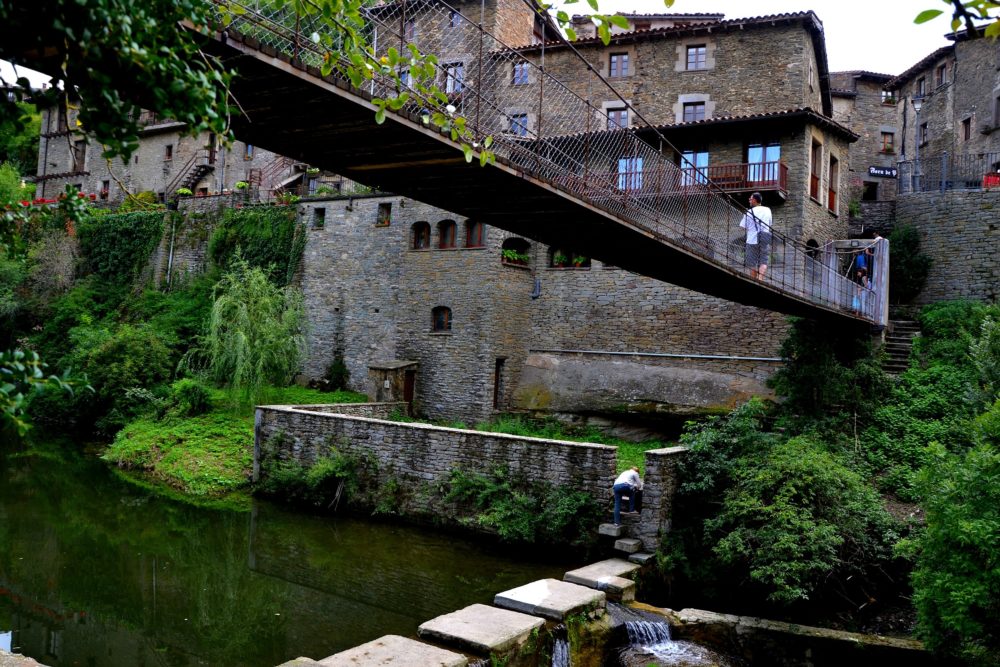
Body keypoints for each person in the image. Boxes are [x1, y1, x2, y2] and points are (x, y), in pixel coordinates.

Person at [739, 192, 773, 280]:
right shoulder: (768, 210)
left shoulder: (749, 212)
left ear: (754, 200)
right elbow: (769, 224)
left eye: (750, 198)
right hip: (765, 237)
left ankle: (753, 279)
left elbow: (742, 227)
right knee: (764, 260)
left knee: (752, 262)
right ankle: (760, 277)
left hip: (752, 239)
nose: (749, 200)